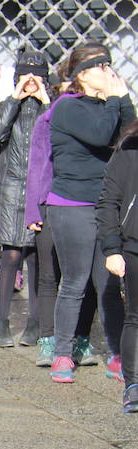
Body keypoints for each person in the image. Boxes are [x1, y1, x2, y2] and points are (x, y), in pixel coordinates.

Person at [41, 43, 132, 383]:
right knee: (75, 282)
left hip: (107, 203)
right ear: (81, 74)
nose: (107, 71)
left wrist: (123, 99)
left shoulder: (106, 105)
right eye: (100, 66)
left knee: (109, 283)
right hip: (72, 204)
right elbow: (99, 135)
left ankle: (119, 355)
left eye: (110, 64)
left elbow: (128, 136)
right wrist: (113, 100)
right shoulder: (67, 107)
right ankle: (62, 353)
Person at [0, 50, 51, 348]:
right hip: (11, 189)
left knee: (37, 259)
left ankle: (35, 322)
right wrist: (15, 97)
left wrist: (46, 101)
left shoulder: (51, 109)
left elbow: (59, 136)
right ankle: (2, 321)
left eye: (38, 76)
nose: (32, 82)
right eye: (27, 75)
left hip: (41, 191)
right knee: (10, 256)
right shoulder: (4, 106)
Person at [99, 117, 138, 412]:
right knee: (135, 318)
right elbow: (109, 201)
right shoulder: (129, 148)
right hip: (134, 245)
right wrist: (112, 248)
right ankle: (133, 386)